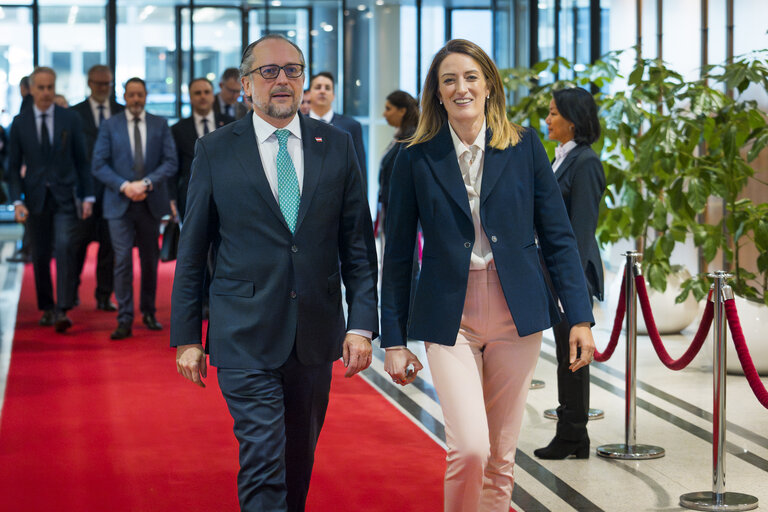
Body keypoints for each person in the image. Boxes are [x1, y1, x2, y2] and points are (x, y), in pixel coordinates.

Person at [380, 39, 596, 512]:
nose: (461, 88)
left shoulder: (523, 146)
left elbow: (558, 237)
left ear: (489, 85)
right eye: (449, 80)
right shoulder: (415, 157)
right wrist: (392, 341)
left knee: (500, 457)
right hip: (448, 316)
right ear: (436, 93)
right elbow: (396, 255)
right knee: (470, 448)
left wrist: (579, 317)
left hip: (517, 313)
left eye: (471, 77)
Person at [171, 34, 379, 512]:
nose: (282, 80)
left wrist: (362, 325)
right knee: (264, 459)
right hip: (243, 332)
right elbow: (193, 248)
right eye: (269, 71)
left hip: (314, 332)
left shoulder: (338, 145)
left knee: (297, 461)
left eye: (293, 70)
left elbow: (357, 246)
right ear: (246, 84)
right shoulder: (215, 149)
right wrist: (187, 336)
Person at [534, 87, 605, 460]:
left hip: (572, 275)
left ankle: (573, 433)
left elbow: (579, 230)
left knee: (573, 356)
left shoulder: (586, 162)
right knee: (566, 355)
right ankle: (573, 433)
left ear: (573, 120)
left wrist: (569, 287)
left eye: (553, 114)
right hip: (556, 273)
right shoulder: (563, 157)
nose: (547, 120)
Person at [7, 66, 93, 332]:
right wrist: (17, 201)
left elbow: (82, 161)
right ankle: (46, 307)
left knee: (66, 246)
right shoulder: (19, 124)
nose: (46, 93)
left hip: (65, 196)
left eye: (50, 88)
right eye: (41, 88)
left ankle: (63, 309)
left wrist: (87, 195)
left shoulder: (70, 119)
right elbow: (12, 168)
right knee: (41, 254)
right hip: (35, 199)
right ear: (31, 89)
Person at [92, 77, 178, 340]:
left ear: (146, 95)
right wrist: (124, 186)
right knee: (122, 262)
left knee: (150, 261)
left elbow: (171, 161)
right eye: (131, 95)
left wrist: (147, 184)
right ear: (125, 96)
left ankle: (149, 312)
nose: (136, 99)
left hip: (150, 203)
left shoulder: (160, 124)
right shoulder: (110, 125)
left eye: (140, 94)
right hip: (119, 202)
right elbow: (98, 164)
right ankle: (125, 317)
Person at [70, 64, 125, 312]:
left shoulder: (121, 112)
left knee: (109, 247)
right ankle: (70, 293)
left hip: (114, 190)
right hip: (83, 192)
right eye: (99, 83)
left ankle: (104, 295)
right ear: (89, 83)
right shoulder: (74, 114)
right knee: (77, 245)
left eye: (107, 84)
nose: (103, 88)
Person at [171, 77, 234, 221]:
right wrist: (171, 198)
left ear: (213, 95)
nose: (203, 96)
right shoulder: (178, 129)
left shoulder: (230, 124)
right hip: (191, 196)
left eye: (206, 92)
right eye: (197, 93)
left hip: (227, 194)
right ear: (190, 97)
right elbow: (174, 168)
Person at [308, 71, 367, 190]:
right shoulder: (297, 124)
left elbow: (359, 168)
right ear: (309, 94)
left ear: (334, 95)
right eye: (318, 87)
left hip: (340, 193)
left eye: (327, 88)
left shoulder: (351, 126)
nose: (322, 91)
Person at [377, 90, 419, 227]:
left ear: (402, 111)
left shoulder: (410, 141)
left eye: (388, 109)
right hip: (391, 207)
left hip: (402, 213)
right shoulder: (399, 138)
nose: (384, 114)